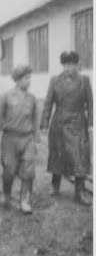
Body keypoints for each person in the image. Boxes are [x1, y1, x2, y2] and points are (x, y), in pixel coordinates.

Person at [40, 51, 93, 205]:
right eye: (66, 65)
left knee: (80, 156)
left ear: (77, 65)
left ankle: (79, 191)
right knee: (57, 154)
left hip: (77, 122)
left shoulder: (84, 80)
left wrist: (90, 123)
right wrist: (44, 123)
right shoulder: (55, 80)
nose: (69, 68)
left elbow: (90, 103)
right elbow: (48, 102)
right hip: (59, 122)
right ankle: (55, 185)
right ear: (62, 65)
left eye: (72, 64)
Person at [0, 65, 38, 214]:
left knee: (28, 171)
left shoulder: (32, 99)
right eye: (25, 78)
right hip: (10, 139)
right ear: (17, 80)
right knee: (9, 170)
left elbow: (35, 119)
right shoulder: (7, 96)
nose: (28, 81)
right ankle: (6, 195)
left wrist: (36, 138)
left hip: (27, 138)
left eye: (29, 78)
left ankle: (25, 201)